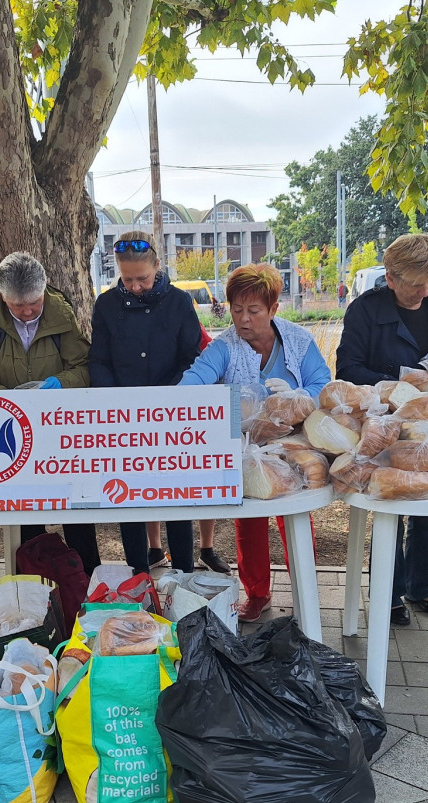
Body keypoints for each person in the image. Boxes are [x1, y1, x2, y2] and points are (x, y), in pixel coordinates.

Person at [179, 263, 330, 620]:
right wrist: (183, 399)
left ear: (274, 309)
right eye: (236, 310)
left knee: (295, 515)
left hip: (295, 445)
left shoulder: (297, 340)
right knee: (249, 520)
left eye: (254, 311)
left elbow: (322, 384)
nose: (243, 319)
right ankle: (256, 593)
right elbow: (194, 381)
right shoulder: (224, 347)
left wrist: (296, 398)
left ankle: (304, 588)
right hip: (246, 448)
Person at [335, 233, 428, 626]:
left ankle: (422, 587)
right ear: (390, 277)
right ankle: (389, 594)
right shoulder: (365, 310)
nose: (423, 291)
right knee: (391, 509)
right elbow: (348, 369)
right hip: (386, 423)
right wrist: (398, 380)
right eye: (414, 284)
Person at [0, 251, 101, 573]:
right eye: (17, 306)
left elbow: (84, 367)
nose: (27, 312)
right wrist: (9, 401)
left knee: (76, 508)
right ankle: (32, 579)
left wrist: (60, 383)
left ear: (43, 291)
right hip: (11, 431)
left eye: (34, 304)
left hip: (62, 428)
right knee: (26, 512)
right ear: (2, 296)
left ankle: (87, 577)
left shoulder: (61, 315)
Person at [90, 231, 201, 576]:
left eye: (143, 279)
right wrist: (116, 400)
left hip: (171, 416)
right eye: (128, 279)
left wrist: (166, 397)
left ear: (157, 266)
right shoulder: (106, 306)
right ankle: (137, 572)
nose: (136, 286)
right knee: (128, 497)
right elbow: (99, 361)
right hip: (122, 418)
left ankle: (183, 572)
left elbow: (190, 358)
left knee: (177, 497)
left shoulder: (180, 303)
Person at [146, 320, 230, 574]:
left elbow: (206, 354)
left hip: (193, 411)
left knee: (204, 480)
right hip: (150, 406)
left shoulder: (184, 319)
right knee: (150, 479)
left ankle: (207, 549)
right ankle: (155, 549)